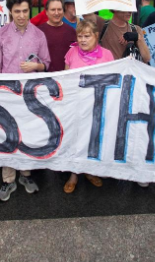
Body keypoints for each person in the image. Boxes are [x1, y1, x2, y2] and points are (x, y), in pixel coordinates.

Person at [0, 0, 51, 201]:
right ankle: (8, 179)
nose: (21, 15)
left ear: (30, 11)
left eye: (25, 11)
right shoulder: (1, 35)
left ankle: (26, 174)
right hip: (7, 94)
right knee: (7, 135)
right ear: (10, 12)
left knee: (27, 135)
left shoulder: (38, 35)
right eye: (17, 11)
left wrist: (36, 66)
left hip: (29, 95)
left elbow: (47, 64)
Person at [63, 19, 114, 193]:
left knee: (93, 139)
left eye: (87, 36)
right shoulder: (71, 53)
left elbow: (112, 79)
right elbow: (66, 79)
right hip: (76, 106)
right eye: (80, 36)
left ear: (96, 36)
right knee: (75, 140)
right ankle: (74, 175)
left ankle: (90, 171)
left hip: (97, 105)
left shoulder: (107, 55)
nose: (83, 40)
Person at [38, 0, 77, 72]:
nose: (56, 13)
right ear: (46, 12)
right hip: (45, 78)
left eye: (59, 9)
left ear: (63, 11)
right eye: (53, 10)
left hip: (67, 77)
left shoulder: (71, 31)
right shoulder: (38, 32)